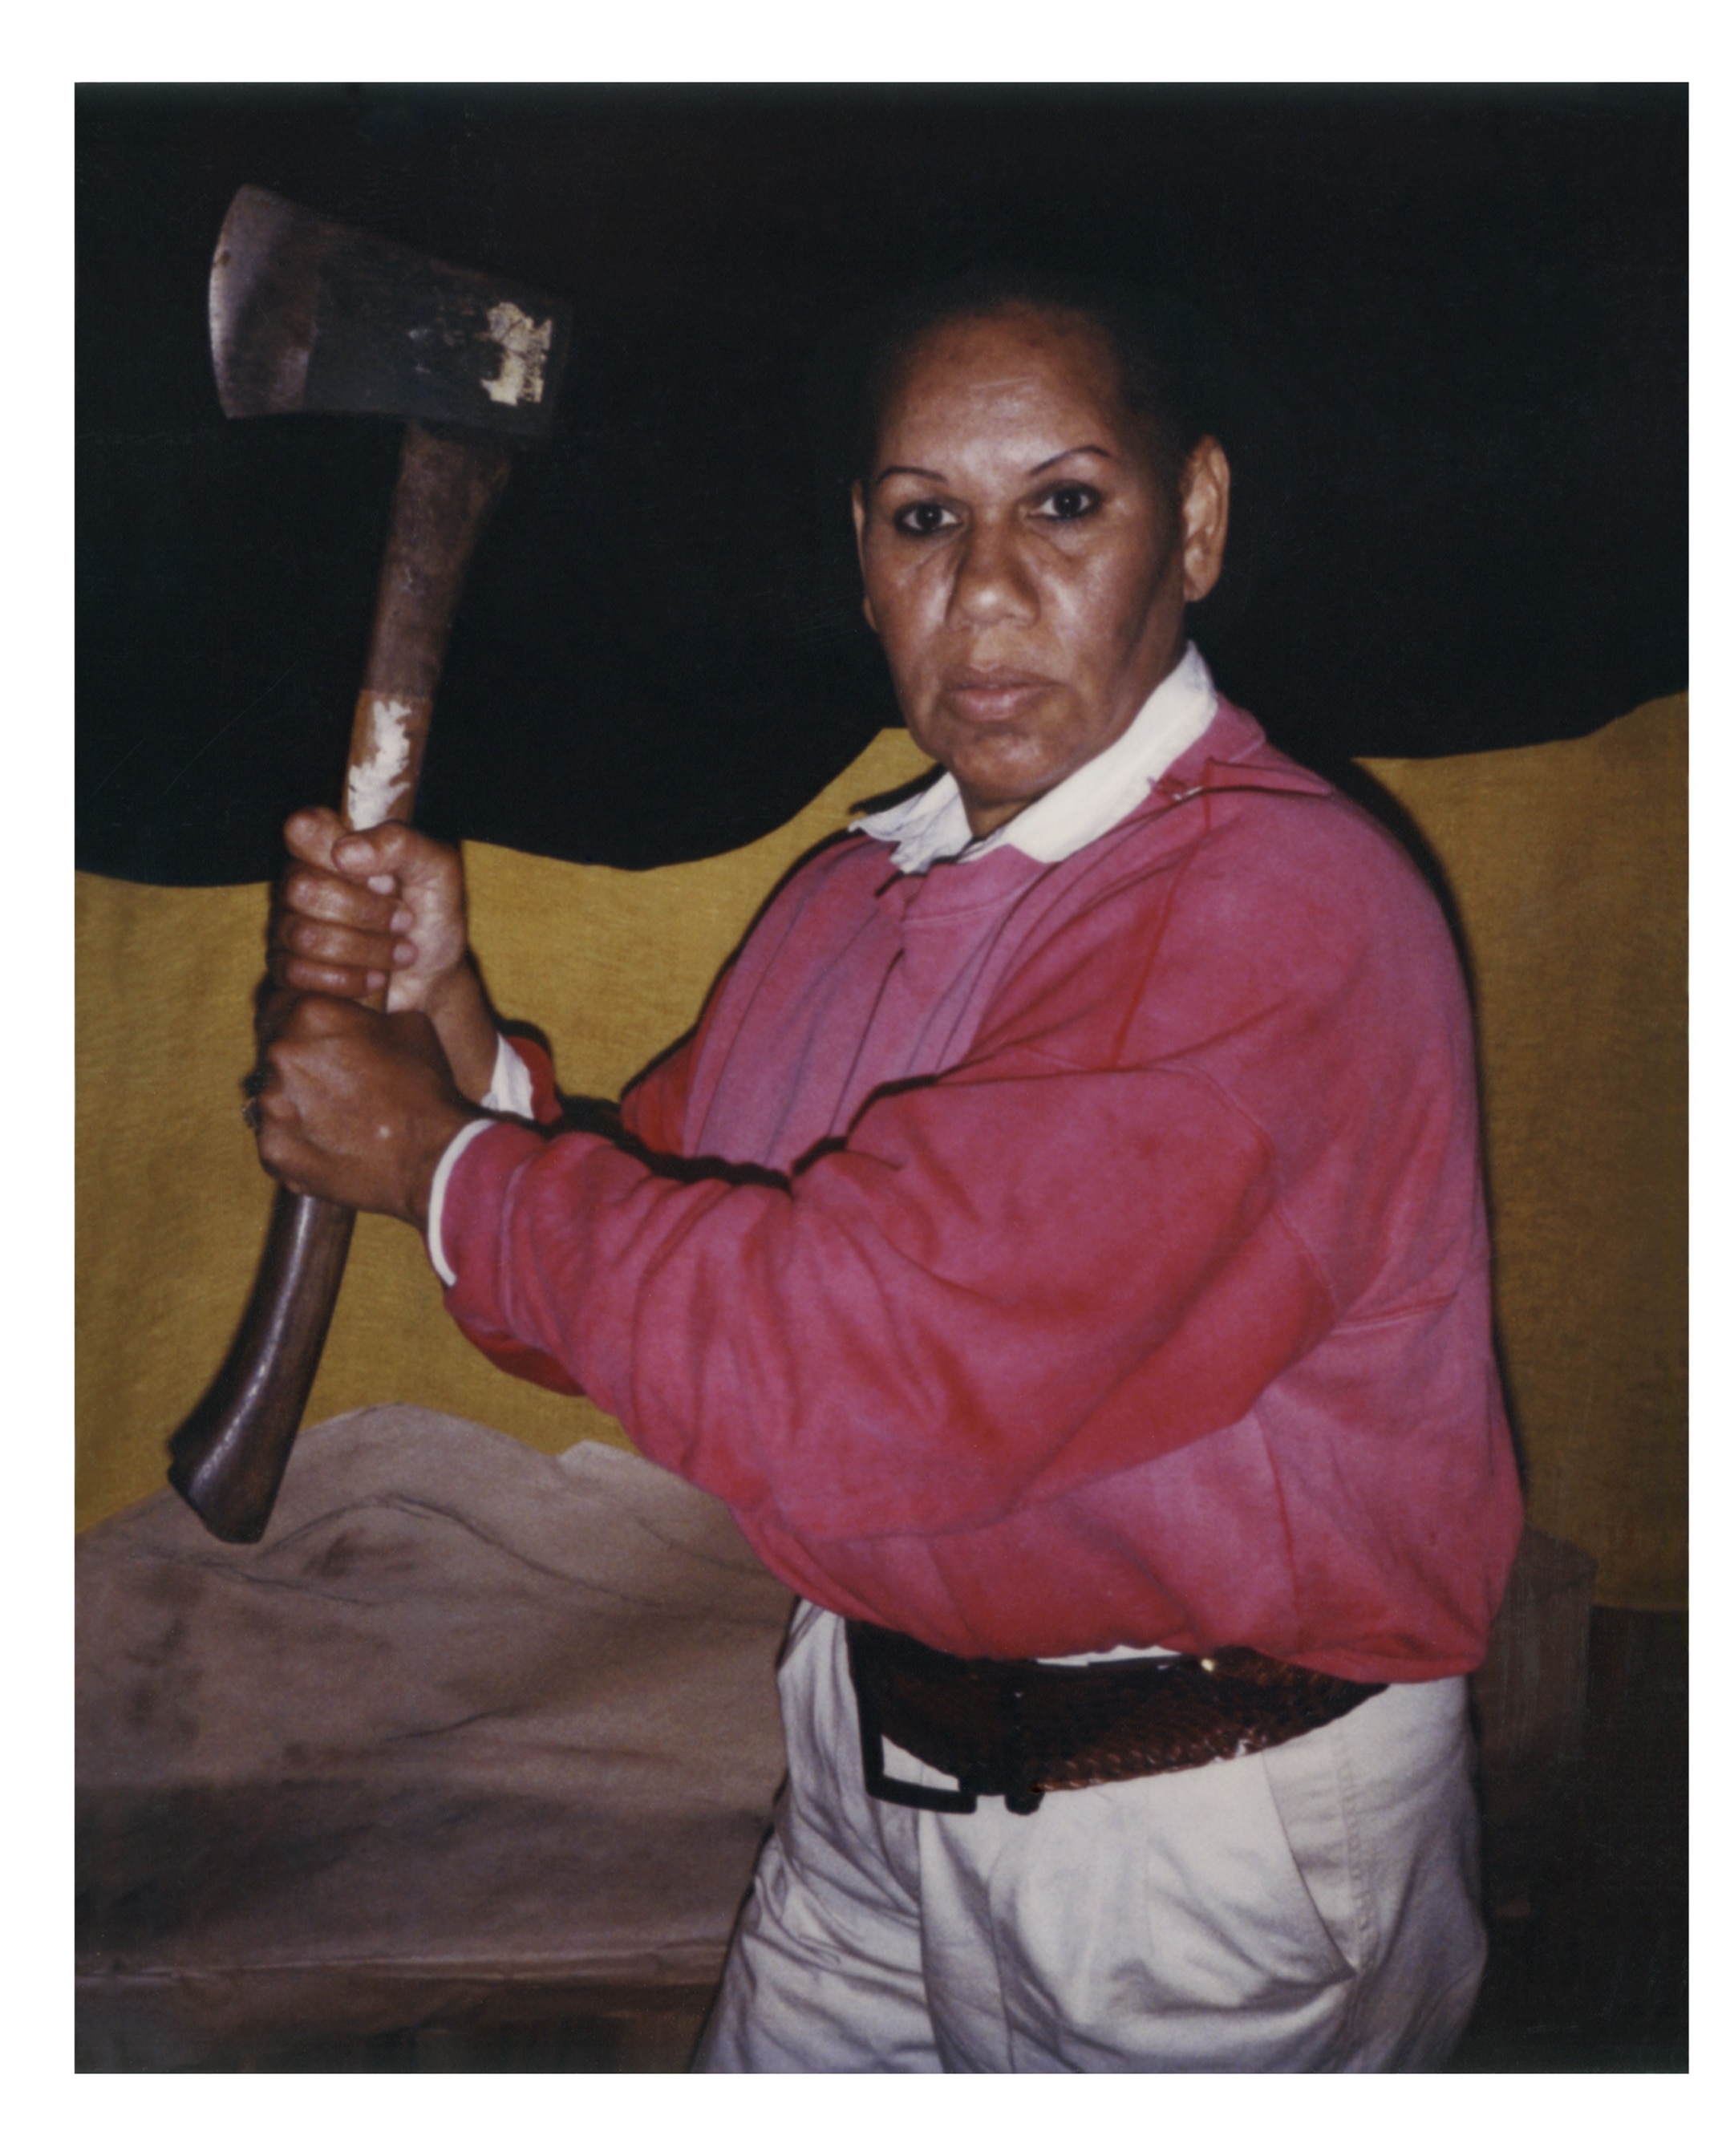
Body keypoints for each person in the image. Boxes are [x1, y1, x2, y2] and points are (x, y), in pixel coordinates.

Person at [251, 276, 1525, 2073]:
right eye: (924, 519)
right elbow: (660, 1255)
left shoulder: (1273, 919)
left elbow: (863, 1362)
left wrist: (423, 1162)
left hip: (1204, 1854)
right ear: (862, 559)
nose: (984, 588)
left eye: (1063, 505)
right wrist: (442, 1019)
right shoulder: (855, 900)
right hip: (873, 1784)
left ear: (1200, 524)